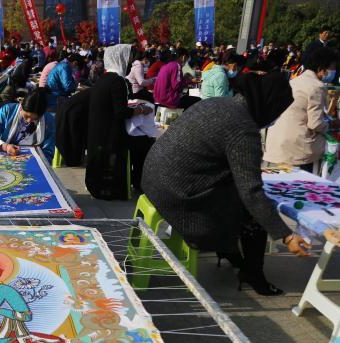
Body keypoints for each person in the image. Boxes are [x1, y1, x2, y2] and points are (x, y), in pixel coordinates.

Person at [142, 72, 311, 296]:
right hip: (176, 194)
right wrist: (286, 235)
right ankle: (253, 274)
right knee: (253, 212)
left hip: (153, 179)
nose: (276, 119)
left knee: (236, 192)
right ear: (270, 107)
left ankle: (229, 251)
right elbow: (251, 192)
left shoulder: (219, 103)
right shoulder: (243, 129)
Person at [85, 44, 152, 199]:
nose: (130, 65)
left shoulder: (103, 78)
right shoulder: (117, 81)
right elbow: (121, 112)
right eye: (128, 61)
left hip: (98, 131)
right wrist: (141, 109)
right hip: (110, 133)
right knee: (145, 142)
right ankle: (138, 183)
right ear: (121, 60)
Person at [264, 47, 339, 170]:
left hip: (275, 142)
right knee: (334, 147)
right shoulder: (317, 86)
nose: (334, 71)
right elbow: (315, 124)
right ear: (321, 69)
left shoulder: (294, 81)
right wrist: (331, 125)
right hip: (297, 146)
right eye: (332, 67)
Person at [0, 89, 55, 161]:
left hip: (32, 161)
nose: (29, 120)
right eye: (26, 116)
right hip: (3, 157)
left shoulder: (48, 121)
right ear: (21, 106)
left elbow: (48, 151)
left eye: (35, 118)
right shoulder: (7, 111)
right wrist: (5, 147)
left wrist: (34, 161)